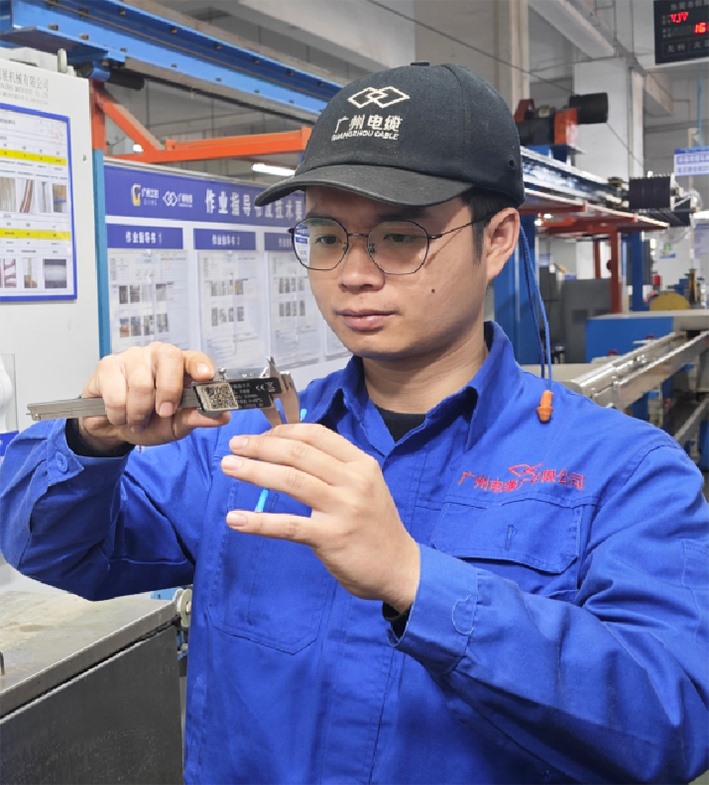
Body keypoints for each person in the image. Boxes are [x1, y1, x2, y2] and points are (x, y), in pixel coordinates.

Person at [1, 63, 707, 785]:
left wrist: (417, 581)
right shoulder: (242, 445)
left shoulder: (622, 472)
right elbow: (51, 549)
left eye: (399, 236)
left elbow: (673, 717)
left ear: (496, 239)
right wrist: (94, 440)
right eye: (327, 236)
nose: (353, 274)